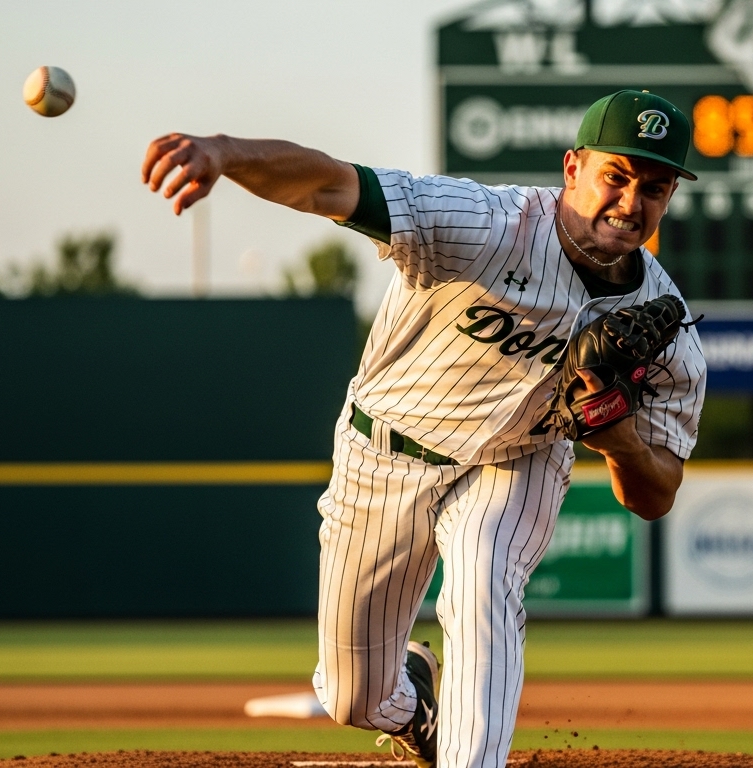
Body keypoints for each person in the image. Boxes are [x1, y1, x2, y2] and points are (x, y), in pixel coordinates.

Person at [141, 89, 707, 768]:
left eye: (655, 186)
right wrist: (223, 153)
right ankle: (413, 707)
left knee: (482, 583)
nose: (631, 201)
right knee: (352, 697)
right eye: (616, 176)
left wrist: (616, 437)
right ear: (572, 167)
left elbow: (657, 494)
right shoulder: (485, 224)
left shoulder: (666, 329)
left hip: (516, 461)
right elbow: (331, 183)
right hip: (385, 450)